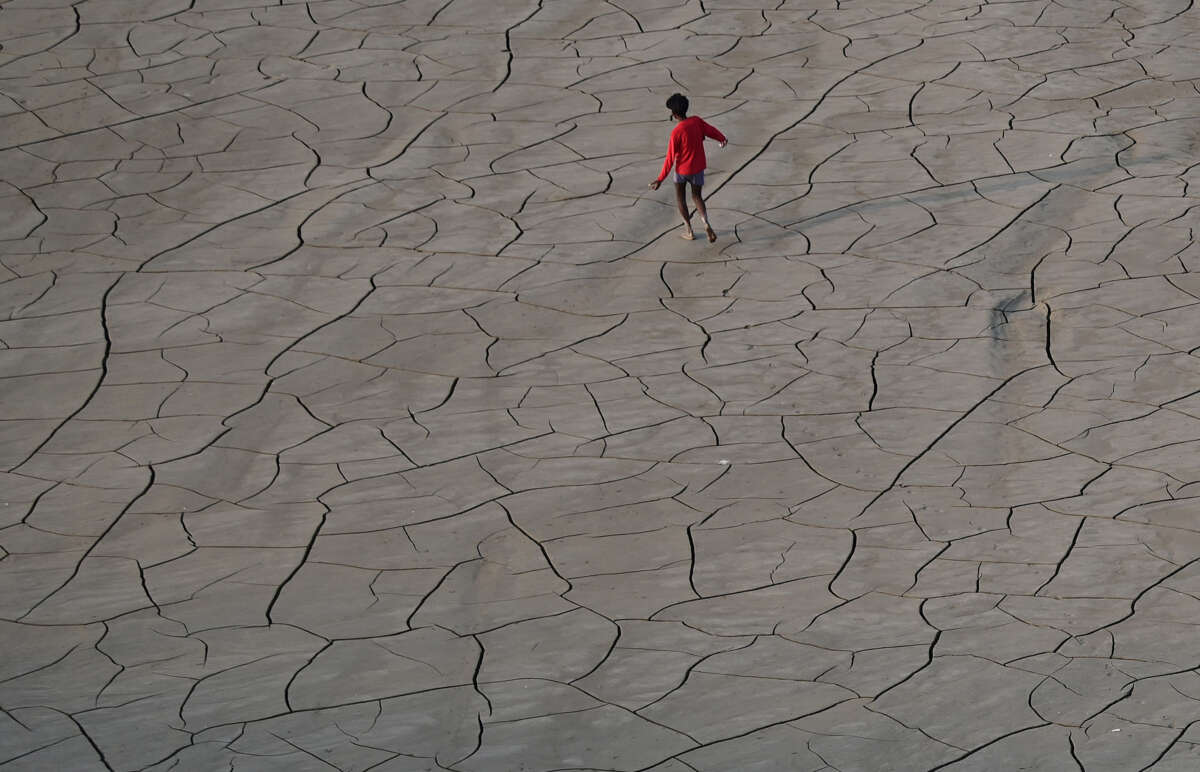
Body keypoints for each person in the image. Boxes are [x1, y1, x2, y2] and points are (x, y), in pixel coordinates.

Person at [649, 93, 727, 242]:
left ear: (674, 114)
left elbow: (670, 159)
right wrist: (721, 138)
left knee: (680, 198)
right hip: (698, 168)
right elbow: (710, 130)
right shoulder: (696, 121)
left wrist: (660, 179)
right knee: (697, 196)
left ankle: (689, 231)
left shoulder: (676, 133)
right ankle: (705, 222)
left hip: (682, 171)